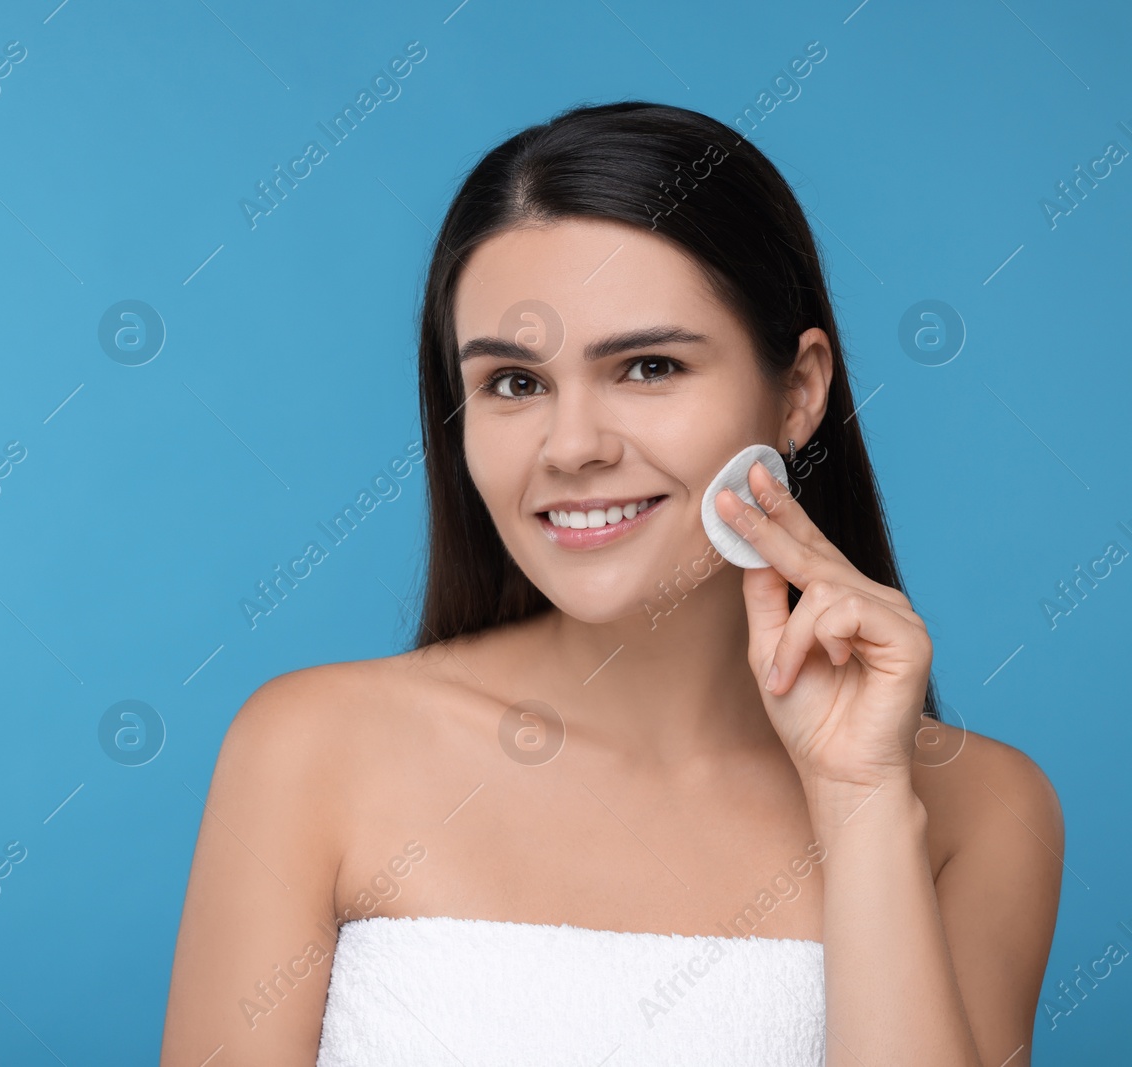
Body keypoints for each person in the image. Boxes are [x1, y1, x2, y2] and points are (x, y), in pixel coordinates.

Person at [160, 100, 1063, 1066]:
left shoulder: (984, 810)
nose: (573, 447)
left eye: (647, 366)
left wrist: (862, 802)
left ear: (798, 392)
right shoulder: (312, 749)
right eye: (514, 383)